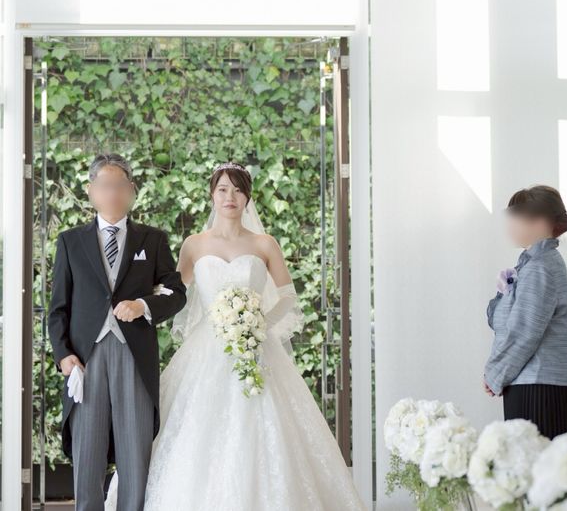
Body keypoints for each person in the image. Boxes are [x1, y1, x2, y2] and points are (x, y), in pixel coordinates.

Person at [105, 162, 367, 510]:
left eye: (239, 189)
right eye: (223, 189)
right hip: (207, 348)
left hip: (256, 345)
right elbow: (173, 292)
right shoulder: (194, 245)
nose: (231, 196)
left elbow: (287, 295)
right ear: (212, 195)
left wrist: (259, 323)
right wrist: (139, 302)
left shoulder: (264, 243)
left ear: (248, 198)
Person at [48, 153, 187, 511]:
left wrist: (143, 305)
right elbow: (58, 308)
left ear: (132, 190)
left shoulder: (152, 240)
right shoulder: (70, 242)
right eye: (105, 185)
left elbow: (177, 293)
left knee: (135, 452)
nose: (113, 193)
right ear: (91, 191)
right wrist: (64, 356)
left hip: (134, 356)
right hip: (86, 359)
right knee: (87, 451)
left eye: (120, 186)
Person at [484, 184, 567, 439]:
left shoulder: (540, 266)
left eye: (516, 216)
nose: (510, 224)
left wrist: (495, 374)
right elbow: (508, 322)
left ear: (540, 222)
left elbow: (523, 332)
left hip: (539, 387)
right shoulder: (534, 264)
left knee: (537, 460)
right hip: (534, 383)